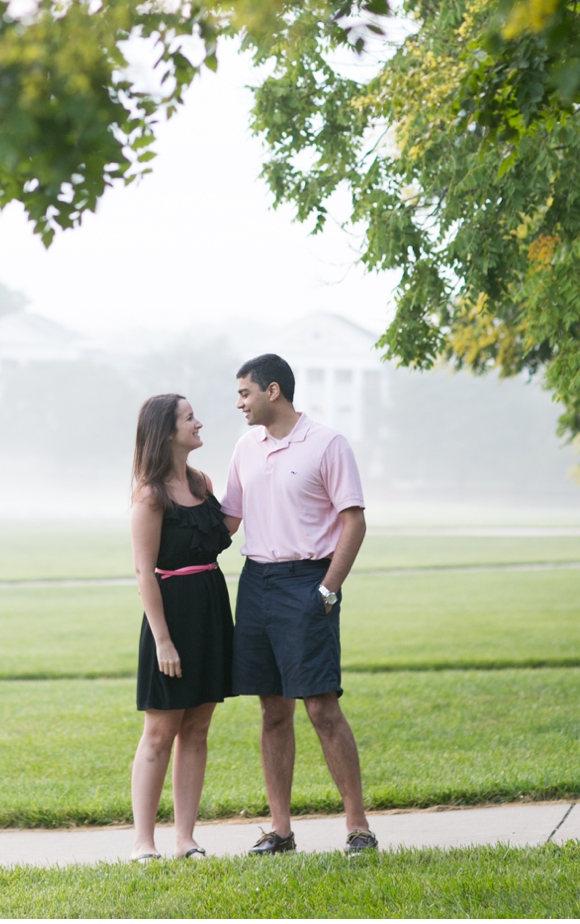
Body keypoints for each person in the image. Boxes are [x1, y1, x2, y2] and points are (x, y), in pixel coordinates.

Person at [221, 353, 378, 855]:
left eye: (244, 393)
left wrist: (328, 589)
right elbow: (228, 521)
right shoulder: (246, 447)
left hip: (308, 582)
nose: (238, 403)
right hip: (257, 584)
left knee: (321, 707)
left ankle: (358, 828)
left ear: (272, 391)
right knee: (272, 710)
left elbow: (353, 521)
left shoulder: (327, 443)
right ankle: (281, 830)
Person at [129, 393, 235, 862]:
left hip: (212, 609)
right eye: (190, 417)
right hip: (170, 618)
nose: (199, 423)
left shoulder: (202, 482)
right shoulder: (150, 494)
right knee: (160, 730)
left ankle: (185, 839)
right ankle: (143, 843)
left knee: (198, 728)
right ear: (166, 432)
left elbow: (216, 536)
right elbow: (143, 571)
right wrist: (163, 641)